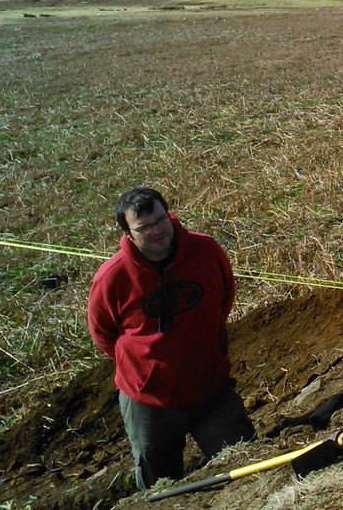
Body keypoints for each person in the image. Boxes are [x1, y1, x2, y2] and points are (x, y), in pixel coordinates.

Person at [88, 187, 256, 489]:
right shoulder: (112, 277)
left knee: (249, 466)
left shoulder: (205, 251)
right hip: (149, 402)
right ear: (128, 233)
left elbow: (224, 297)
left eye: (160, 220)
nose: (157, 231)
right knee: (160, 487)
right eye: (145, 227)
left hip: (210, 389)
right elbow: (103, 333)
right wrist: (147, 367)